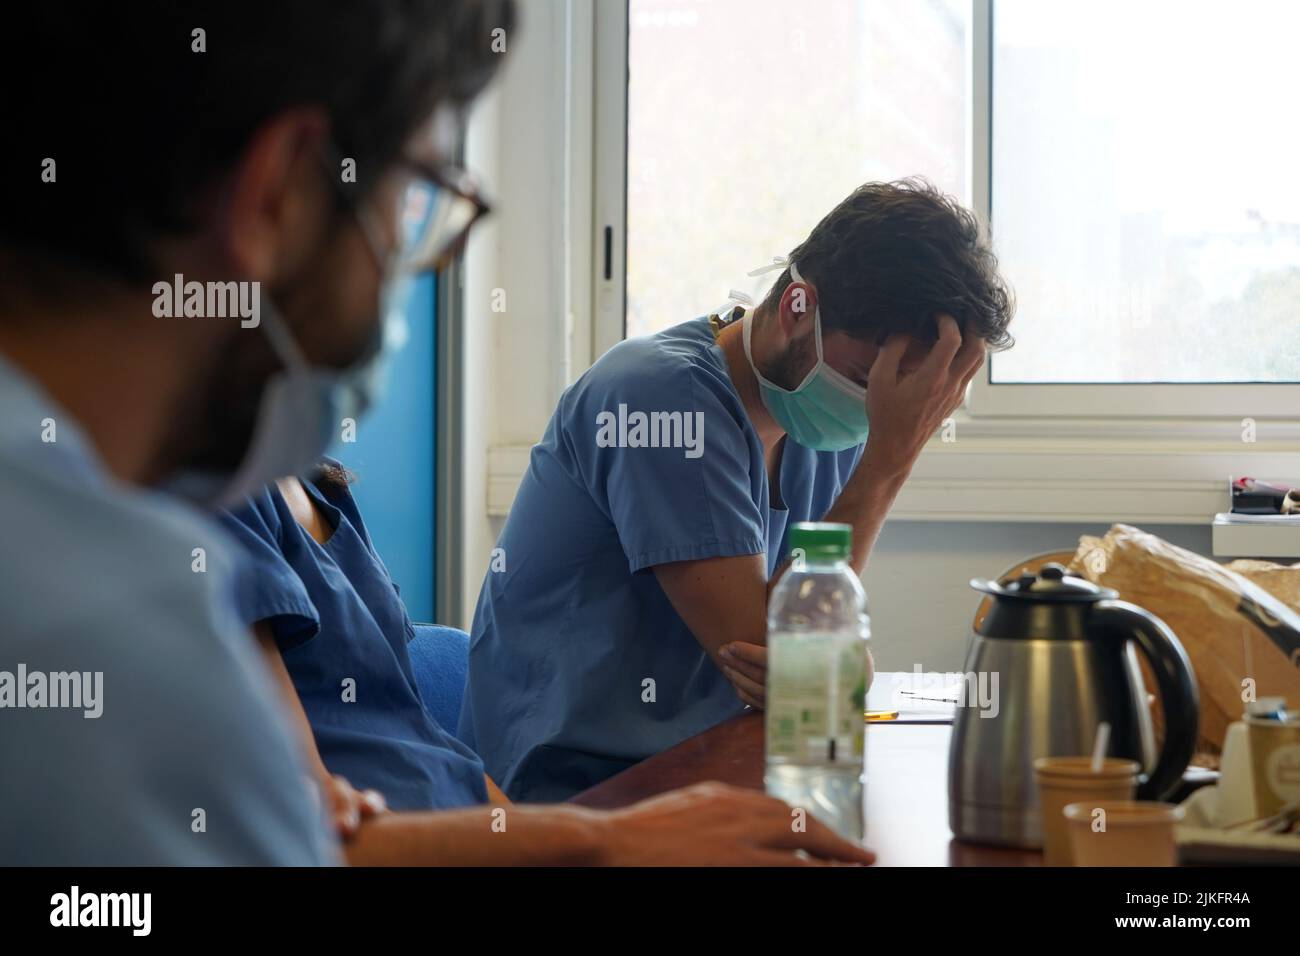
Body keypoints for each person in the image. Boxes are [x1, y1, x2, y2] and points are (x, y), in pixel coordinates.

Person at [0, 0, 870, 865]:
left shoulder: (134, 529)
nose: (411, 263)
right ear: (281, 193)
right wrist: (600, 844)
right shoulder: (104, 611)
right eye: (417, 203)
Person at [460, 179, 1015, 801]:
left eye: (903, 397)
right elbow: (784, 649)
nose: (879, 413)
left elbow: (821, 666)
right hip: (572, 795)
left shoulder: (827, 428)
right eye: (867, 378)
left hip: (713, 769)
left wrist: (825, 663)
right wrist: (892, 458)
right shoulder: (657, 399)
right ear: (797, 307)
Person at [218, 464, 872, 865]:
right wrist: (604, 841)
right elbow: (310, 822)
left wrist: (572, 839)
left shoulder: (315, 486)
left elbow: (435, 752)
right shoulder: (223, 502)